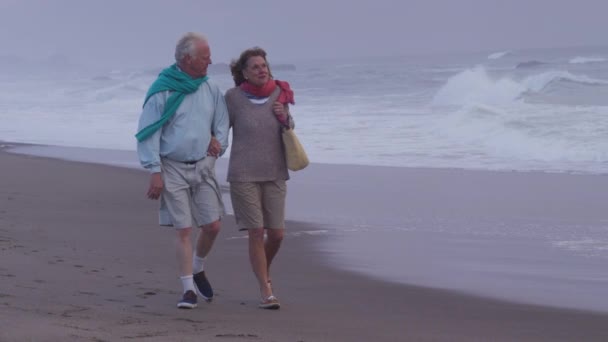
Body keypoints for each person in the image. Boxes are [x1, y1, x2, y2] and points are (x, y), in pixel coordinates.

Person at [136, 32, 229, 309]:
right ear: (187, 59)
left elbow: (222, 124)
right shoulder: (162, 89)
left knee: (212, 226)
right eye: (205, 57)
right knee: (184, 229)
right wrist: (154, 170)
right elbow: (148, 132)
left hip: (203, 164)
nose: (210, 61)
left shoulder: (210, 87)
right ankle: (188, 289)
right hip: (172, 166)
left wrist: (217, 145)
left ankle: (198, 266)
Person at [225, 47, 297, 310]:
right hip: (243, 173)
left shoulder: (280, 92)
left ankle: (261, 273)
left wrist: (283, 116)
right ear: (243, 72)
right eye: (255, 67)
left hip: (275, 171)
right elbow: (221, 130)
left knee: (276, 234)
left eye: (264, 65)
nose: (261, 70)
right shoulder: (232, 97)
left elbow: (289, 126)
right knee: (256, 232)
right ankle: (266, 290)